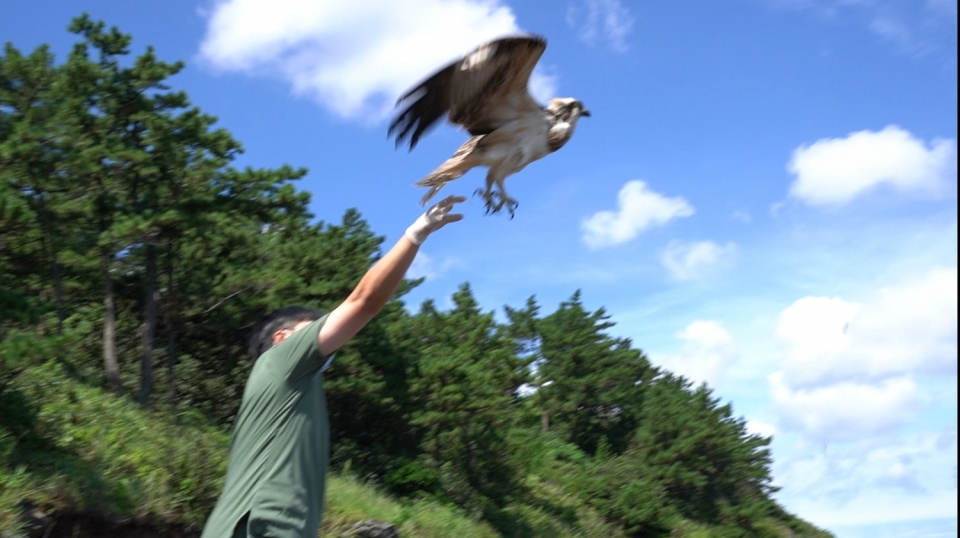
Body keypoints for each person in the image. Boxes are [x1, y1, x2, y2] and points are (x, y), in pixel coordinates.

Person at [200, 195, 466, 538]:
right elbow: (363, 302)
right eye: (309, 328)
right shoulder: (279, 362)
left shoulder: (293, 392)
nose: (329, 340)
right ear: (283, 338)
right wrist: (416, 234)